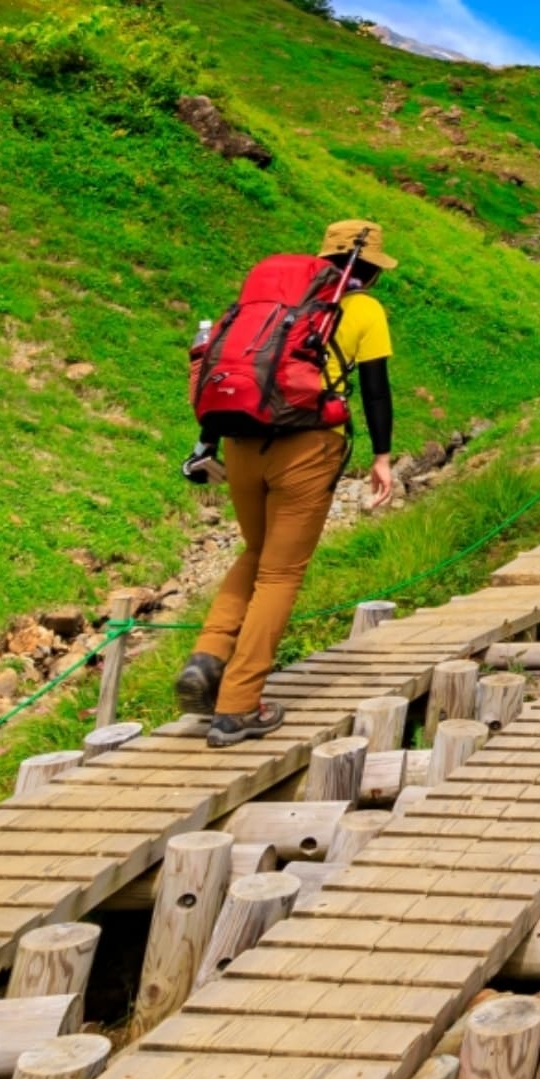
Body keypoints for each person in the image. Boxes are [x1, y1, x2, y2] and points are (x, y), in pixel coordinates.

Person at [175, 219, 397, 746]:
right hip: (308, 445)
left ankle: (206, 660)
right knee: (280, 573)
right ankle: (238, 704)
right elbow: (375, 389)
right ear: (368, 268)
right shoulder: (363, 308)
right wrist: (382, 457)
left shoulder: (273, 306)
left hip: (242, 438)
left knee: (255, 553)